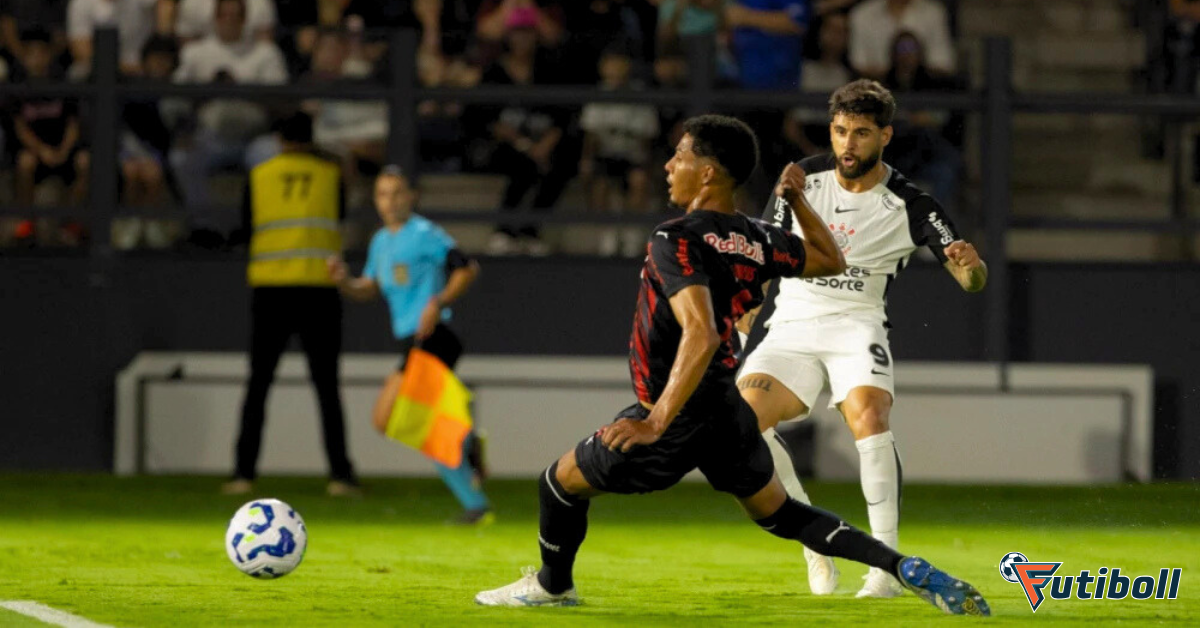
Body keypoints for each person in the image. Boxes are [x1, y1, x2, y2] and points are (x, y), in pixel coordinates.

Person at [474, 114, 989, 617]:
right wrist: (799, 204)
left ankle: (552, 585)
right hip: (726, 407)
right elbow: (831, 260)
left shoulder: (674, 238)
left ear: (708, 173)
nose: (667, 166)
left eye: (679, 156)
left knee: (556, 482)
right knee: (783, 513)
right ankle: (900, 566)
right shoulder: (757, 236)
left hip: (675, 409)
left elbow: (698, 334)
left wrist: (655, 420)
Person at [737, 79, 987, 598]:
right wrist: (743, 318)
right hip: (793, 324)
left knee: (869, 418)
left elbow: (968, 279)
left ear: (886, 136)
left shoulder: (912, 203)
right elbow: (764, 257)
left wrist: (973, 268)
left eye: (861, 133)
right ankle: (814, 541)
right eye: (840, 131)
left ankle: (885, 569)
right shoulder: (802, 179)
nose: (848, 144)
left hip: (857, 323)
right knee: (743, 423)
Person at [327, 167, 493, 525]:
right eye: (383, 194)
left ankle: (474, 501)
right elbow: (368, 288)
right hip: (412, 342)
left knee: (412, 422)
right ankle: (466, 444)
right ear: (376, 200)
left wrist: (437, 302)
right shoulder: (380, 242)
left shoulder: (424, 234)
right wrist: (343, 282)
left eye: (397, 193)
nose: (391, 201)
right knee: (388, 420)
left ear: (411, 197)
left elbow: (466, 268)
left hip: (434, 336)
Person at [223, 111, 360, 498]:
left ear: (279, 138)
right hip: (318, 289)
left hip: (271, 290)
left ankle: (242, 474)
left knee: (258, 385)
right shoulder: (331, 177)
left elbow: (247, 227)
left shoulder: (259, 175)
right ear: (311, 136)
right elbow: (340, 218)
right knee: (327, 386)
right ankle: (341, 476)